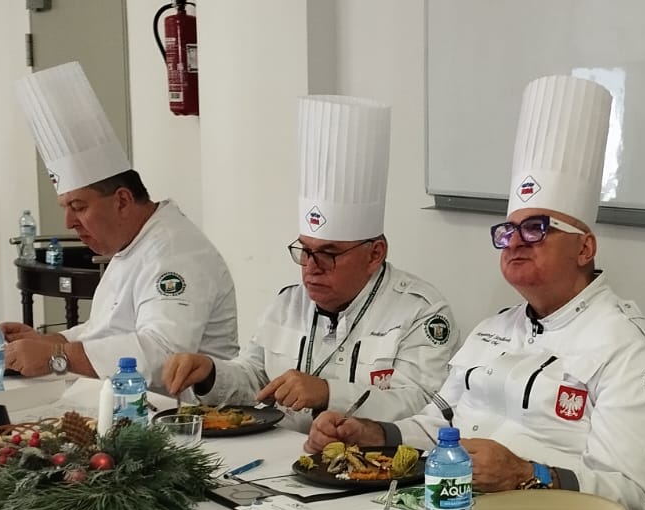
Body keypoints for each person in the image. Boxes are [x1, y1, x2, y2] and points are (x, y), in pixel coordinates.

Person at [303, 75, 645, 510]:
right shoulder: (493, 330)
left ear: (584, 248)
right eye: (508, 231)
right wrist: (371, 433)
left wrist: (526, 475)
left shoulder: (628, 348)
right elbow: (435, 428)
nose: (515, 241)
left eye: (536, 229)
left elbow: (634, 501)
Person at [161, 96, 455, 429]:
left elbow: (422, 404)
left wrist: (329, 393)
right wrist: (210, 374)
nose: (311, 267)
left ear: (375, 254)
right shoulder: (288, 303)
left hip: (366, 459)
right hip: (283, 452)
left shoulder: (420, 312)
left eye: (329, 254)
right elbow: (255, 380)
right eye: (305, 250)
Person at [1, 62, 237, 383]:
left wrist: (57, 356)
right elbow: (105, 331)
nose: (69, 222)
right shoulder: (133, 243)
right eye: (65, 208)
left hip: (184, 409)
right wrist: (49, 341)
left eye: (78, 207)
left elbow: (163, 355)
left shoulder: (175, 253)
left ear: (122, 201)